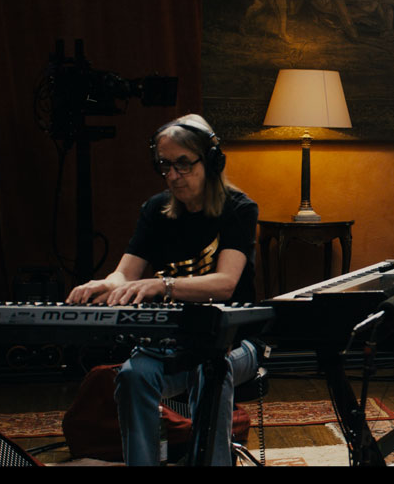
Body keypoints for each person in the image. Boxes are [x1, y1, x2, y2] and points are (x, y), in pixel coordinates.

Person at [67, 114, 260, 465]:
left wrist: (162, 285)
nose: (172, 175)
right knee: (132, 376)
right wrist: (106, 284)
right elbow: (125, 274)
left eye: (183, 164)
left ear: (211, 162)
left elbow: (225, 283)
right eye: (165, 165)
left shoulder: (238, 209)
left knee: (209, 369)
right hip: (171, 344)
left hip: (235, 342)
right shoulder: (156, 210)